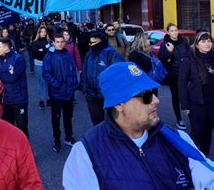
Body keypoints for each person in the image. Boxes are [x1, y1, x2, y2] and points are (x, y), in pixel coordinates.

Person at [63, 62, 214, 189]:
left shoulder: (178, 139)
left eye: (154, 92)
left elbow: (209, 177)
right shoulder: (85, 153)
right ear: (119, 104)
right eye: (146, 96)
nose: (156, 100)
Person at [179, 31, 214, 156]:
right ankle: (189, 156)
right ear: (197, 44)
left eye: (209, 41)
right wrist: (185, 104)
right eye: (203, 41)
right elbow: (182, 82)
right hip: (196, 102)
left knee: (207, 133)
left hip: (211, 102)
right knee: (197, 132)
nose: (207, 44)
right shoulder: (189, 59)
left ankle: (204, 158)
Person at [43, 33, 78, 152]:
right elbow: (46, 73)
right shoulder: (49, 56)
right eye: (57, 42)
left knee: (68, 117)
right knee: (56, 118)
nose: (60, 44)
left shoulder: (68, 54)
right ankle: (56, 140)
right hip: (56, 93)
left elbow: (73, 70)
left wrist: (74, 85)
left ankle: (68, 136)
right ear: (53, 42)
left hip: (68, 92)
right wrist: (56, 84)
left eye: (62, 41)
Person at [80, 31, 124, 126]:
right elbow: (84, 72)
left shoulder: (112, 54)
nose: (90, 44)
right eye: (89, 42)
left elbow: (118, 76)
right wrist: (85, 91)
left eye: (92, 42)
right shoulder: (89, 54)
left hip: (107, 95)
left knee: (113, 123)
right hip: (91, 95)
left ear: (100, 42)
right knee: (97, 123)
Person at [0, 37, 29, 137]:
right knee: (8, 128)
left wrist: (0, 74)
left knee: (22, 128)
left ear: (6, 48)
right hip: (5, 100)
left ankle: (24, 150)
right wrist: (6, 74)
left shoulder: (19, 59)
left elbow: (12, 78)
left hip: (19, 100)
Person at [159, 23, 191, 130]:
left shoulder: (184, 41)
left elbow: (189, 55)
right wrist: (169, 51)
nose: (174, 32)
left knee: (188, 95)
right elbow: (162, 59)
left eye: (176, 30)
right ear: (168, 32)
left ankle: (192, 115)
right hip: (173, 75)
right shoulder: (165, 44)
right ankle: (179, 119)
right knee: (176, 97)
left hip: (186, 74)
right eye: (172, 30)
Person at [30, 26, 51, 109]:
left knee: (49, 82)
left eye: (44, 32)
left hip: (49, 64)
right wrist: (44, 50)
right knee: (41, 82)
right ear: (39, 33)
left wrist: (42, 50)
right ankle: (41, 100)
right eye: (41, 32)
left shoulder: (49, 41)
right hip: (38, 64)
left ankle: (49, 98)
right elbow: (35, 54)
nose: (43, 33)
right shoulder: (35, 43)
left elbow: (51, 51)